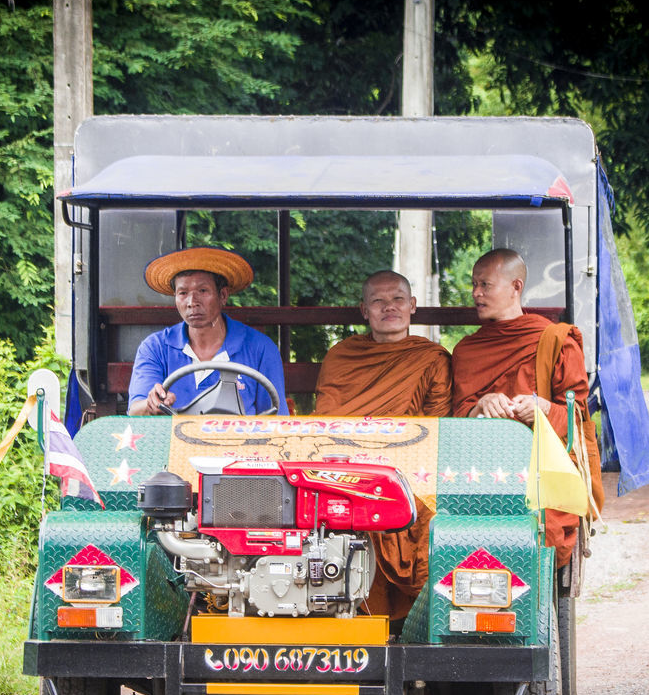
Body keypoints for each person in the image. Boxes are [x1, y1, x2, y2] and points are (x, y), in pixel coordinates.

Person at [451, 248, 604, 568]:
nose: (476, 293)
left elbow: (577, 420)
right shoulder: (467, 349)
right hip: (480, 474)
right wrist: (481, 405)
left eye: (485, 285)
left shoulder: (555, 340)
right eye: (474, 285)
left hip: (540, 474)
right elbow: (456, 418)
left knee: (538, 535)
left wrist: (544, 410)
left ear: (516, 287)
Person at [313, 270, 451, 622]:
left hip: (409, 468)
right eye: (378, 301)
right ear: (364, 310)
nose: (389, 307)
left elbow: (437, 427)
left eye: (398, 299)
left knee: (428, 519)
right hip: (348, 465)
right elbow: (326, 424)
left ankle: (415, 622)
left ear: (413, 306)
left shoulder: (431, 358)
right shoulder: (342, 357)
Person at [127, 247, 287, 416]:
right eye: (183, 293)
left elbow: (276, 420)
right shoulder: (155, 347)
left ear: (223, 296)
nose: (192, 302)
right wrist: (151, 404)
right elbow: (135, 410)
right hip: (173, 441)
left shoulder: (260, 348)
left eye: (202, 291)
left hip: (241, 442)